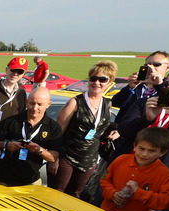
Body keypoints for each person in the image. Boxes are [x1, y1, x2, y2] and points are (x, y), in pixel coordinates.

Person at [49, 61, 119, 196]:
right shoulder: (75, 102)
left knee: (76, 194)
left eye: (102, 79)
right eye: (93, 78)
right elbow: (58, 131)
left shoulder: (107, 104)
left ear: (110, 83)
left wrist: (113, 132)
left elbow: (101, 128)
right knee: (58, 192)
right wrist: (54, 157)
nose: (97, 83)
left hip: (89, 159)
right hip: (67, 156)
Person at [99, 126, 169, 211]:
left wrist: (139, 193)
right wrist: (113, 194)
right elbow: (104, 180)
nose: (144, 154)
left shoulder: (163, 174)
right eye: (141, 148)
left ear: (162, 152)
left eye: (151, 151)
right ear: (135, 146)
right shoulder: (121, 160)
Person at [0, 86, 62, 186]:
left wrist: (39, 150)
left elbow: (53, 157)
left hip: (31, 181)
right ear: (26, 102)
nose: (35, 108)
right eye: (31, 103)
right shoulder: (12, 121)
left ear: (48, 104)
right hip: (2, 179)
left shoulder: (53, 127)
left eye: (39, 104)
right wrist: (6, 145)